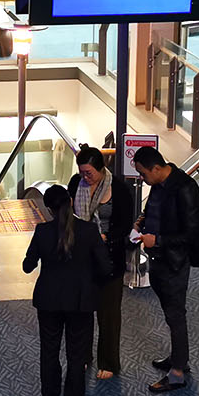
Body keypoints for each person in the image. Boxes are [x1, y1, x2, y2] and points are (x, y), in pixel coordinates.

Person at [23, 184, 110, 396]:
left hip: (49, 300)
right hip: (80, 301)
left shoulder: (42, 232)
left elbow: (27, 266)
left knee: (49, 353)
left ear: (48, 209)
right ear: (71, 202)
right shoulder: (90, 231)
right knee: (76, 356)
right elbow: (105, 268)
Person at [133, 146, 199, 392]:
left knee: (175, 314)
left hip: (174, 261)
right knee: (170, 312)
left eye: (143, 174)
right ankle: (178, 358)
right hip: (158, 258)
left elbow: (192, 234)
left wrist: (158, 240)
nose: (142, 179)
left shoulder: (185, 188)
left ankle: (178, 373)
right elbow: (152, 210)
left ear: (157, 168)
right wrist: (140, 224)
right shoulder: (158, 186)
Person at [67, 146, 132, 379]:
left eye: (89, 173)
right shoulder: (76, 184)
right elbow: (69, 214)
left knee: (108, 313)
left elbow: (125, 224)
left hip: (108, 258)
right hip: (82, 258)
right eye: (82, 172)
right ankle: (83, 356)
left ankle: (109, 362)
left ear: (101, 169)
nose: (85, 177)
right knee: (81, 311)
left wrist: (105, 237)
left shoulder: (119, 189)